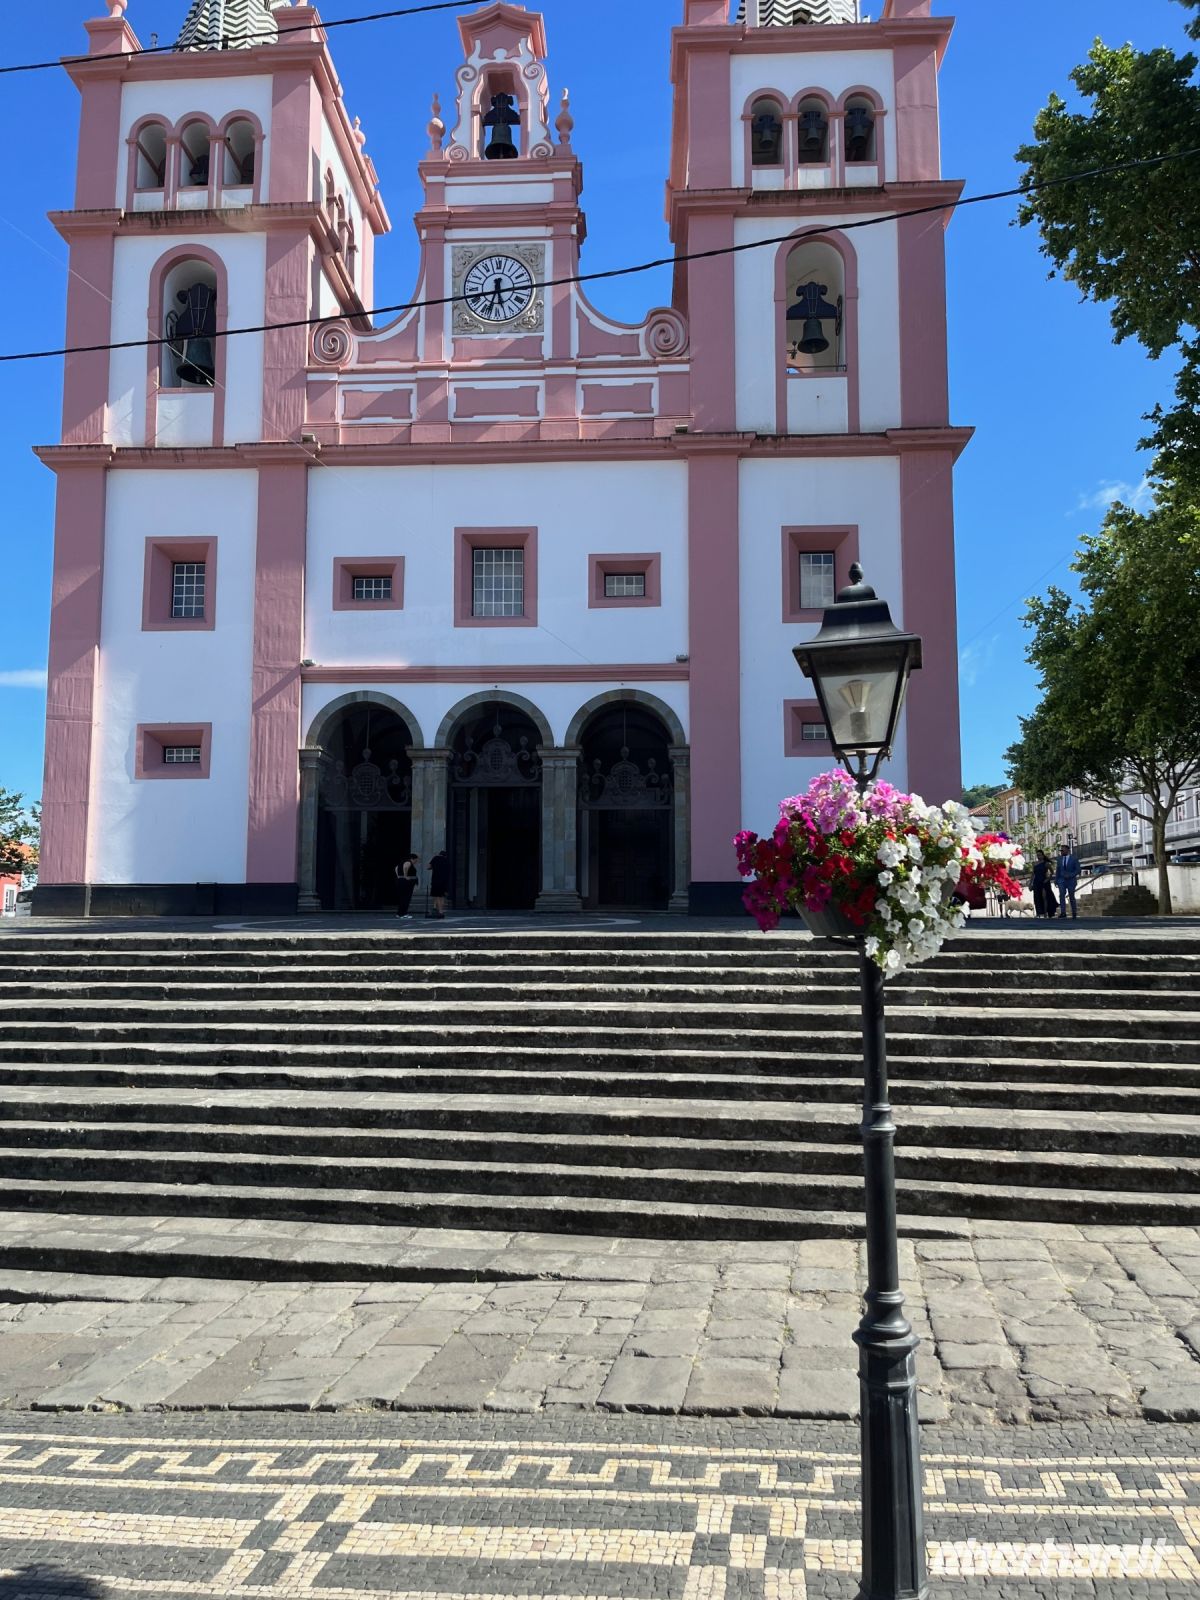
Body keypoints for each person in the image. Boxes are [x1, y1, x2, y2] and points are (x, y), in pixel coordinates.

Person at [1055, 841, 1080, 919]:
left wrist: (1070, 875)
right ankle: (1063, 912)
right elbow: (1058, 870)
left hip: (1071, 880)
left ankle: (1074, 912)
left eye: (1063, 850)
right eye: (1061, 850)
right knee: (1061, 895)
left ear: (1068, 850)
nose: (1061, 852)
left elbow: (1078, 870)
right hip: (1061, 880)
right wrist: (1056, 879)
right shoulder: (1059, 859)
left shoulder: (1074, 858)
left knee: (1071, 896)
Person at [1030, 849, 1054, 918]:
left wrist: (1048, 879)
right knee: (1036, 897)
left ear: (1043, 855)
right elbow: (1033, 874)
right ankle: (1038, 913)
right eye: (1037, 855)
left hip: (1044, 882)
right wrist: (1030, 883)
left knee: (1044, 897)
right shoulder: (1034, 864)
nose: (1038, 856)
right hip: (1036, 882)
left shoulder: (1046, 863)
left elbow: (1052, 872)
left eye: (1040, 855)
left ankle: (1046, 913)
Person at [395, 853, 419, 919]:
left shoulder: (402, 862)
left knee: (402, 898)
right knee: (406, 898)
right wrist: (405, 876)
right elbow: (405, 867)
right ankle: (404, 913)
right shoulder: (408, 862)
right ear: (412, 859)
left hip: (401, 880)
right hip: (406, 882)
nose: (416, 861)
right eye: (416, 860)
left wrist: (398, 876)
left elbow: (396, 868)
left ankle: (399, 913)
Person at [429, 849, 450, 919]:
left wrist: (434, 867)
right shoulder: (447, 860)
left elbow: (428, 867)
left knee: (437, 895)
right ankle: (439, 909)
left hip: (436, 879)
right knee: (442, 896)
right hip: (444, 880)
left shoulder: (435, 858)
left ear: (439, 854)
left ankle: (440, 911)